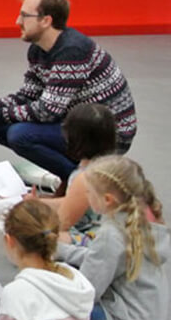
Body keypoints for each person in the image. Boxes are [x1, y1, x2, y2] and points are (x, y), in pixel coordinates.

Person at [0, 0, 136, 184]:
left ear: (46, 21)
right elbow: (28, 95)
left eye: (25, 16)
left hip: (109, 135)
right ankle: (74, 176)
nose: (18, 21)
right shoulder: (38, 50)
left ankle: (85, 185)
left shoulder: (72, 51)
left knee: (20, 135)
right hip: (78, 123)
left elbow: (48, 111)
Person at [55, 156, 170, 320]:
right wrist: (64, 252)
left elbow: (87, 291)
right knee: (64, 271)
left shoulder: (111, 234)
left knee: (47, 304)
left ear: (107, 199)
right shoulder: (137, 219)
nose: (87, 196)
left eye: (88, 192)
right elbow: (100, 257)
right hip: (147, 314)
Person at [36, 103, 117, 243]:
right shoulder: (115, 166)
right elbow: (75, 201)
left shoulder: (85, 177)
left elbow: (62, 222)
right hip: (113, 234)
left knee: (35, 234)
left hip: (94, 238)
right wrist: (39, 202)